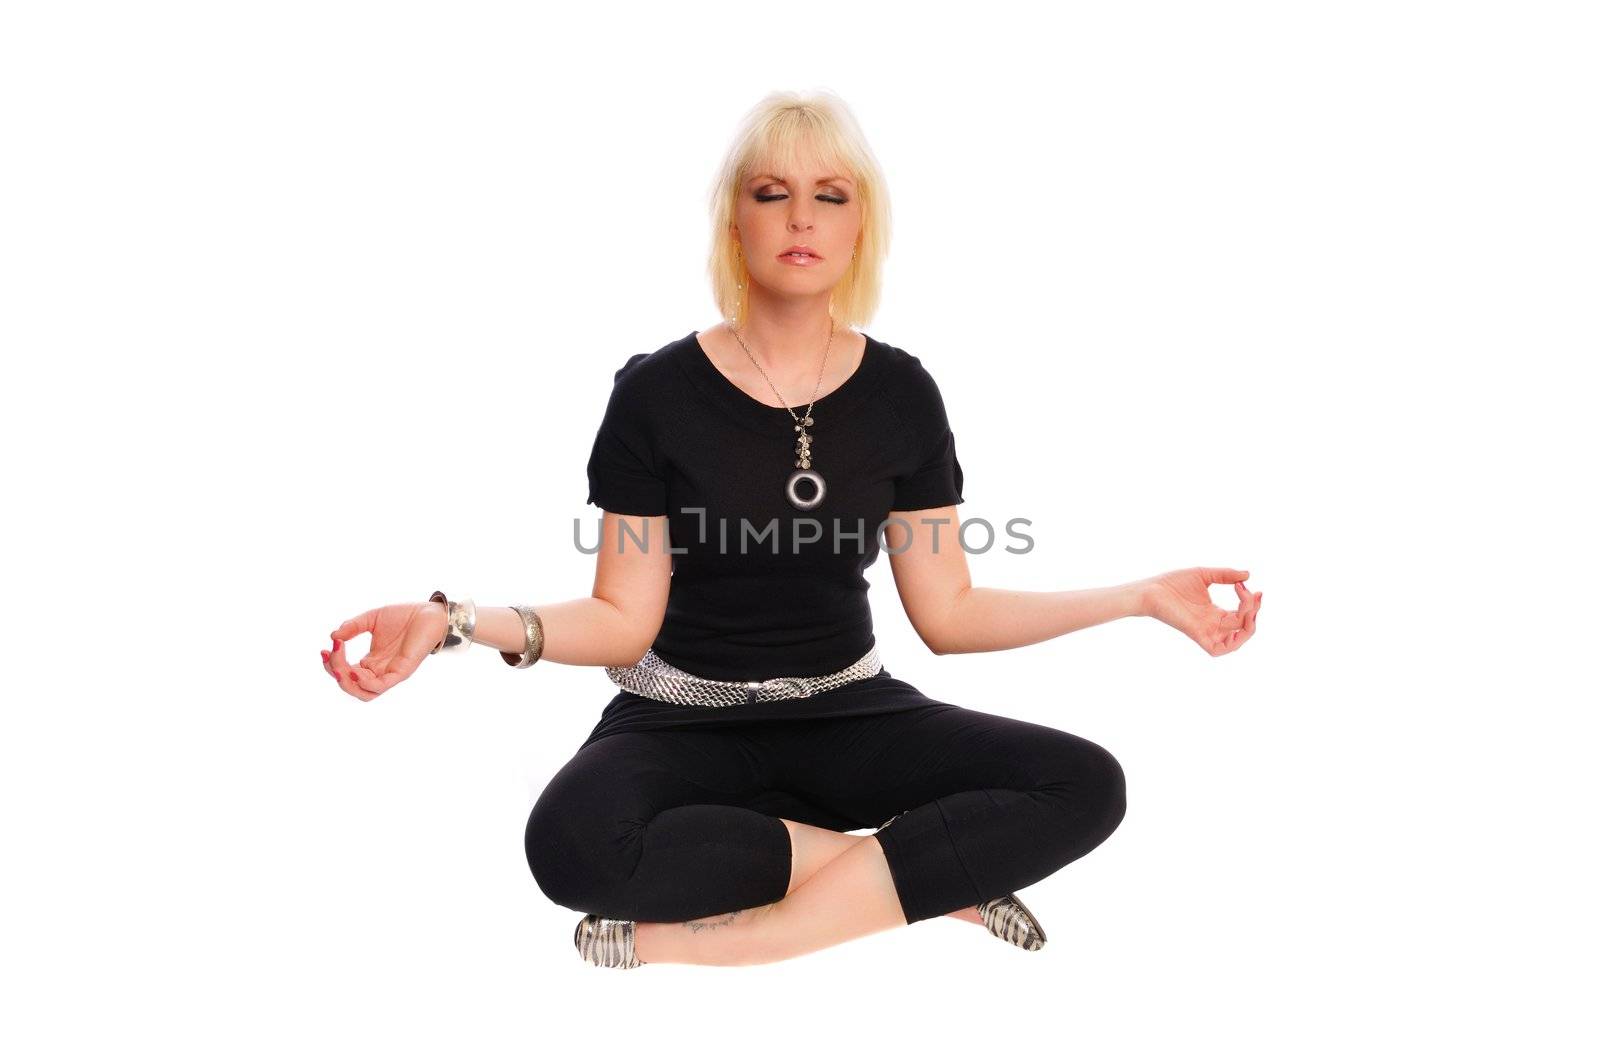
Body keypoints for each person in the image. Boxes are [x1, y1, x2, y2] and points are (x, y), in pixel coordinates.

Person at [320, 90, 1263, 970]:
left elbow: (951, 613)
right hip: (681, 720)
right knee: (570, 847)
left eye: (830, 196)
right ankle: (907, 878)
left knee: (1086, 784)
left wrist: (1139, 598)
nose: (801, 218)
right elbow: (619, 619)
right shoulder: (655, 395)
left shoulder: (902, 393)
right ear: (737, 221)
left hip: (849, 714)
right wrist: (454, 622)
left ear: (862, 227)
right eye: (772, 194)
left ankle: (674, 945)